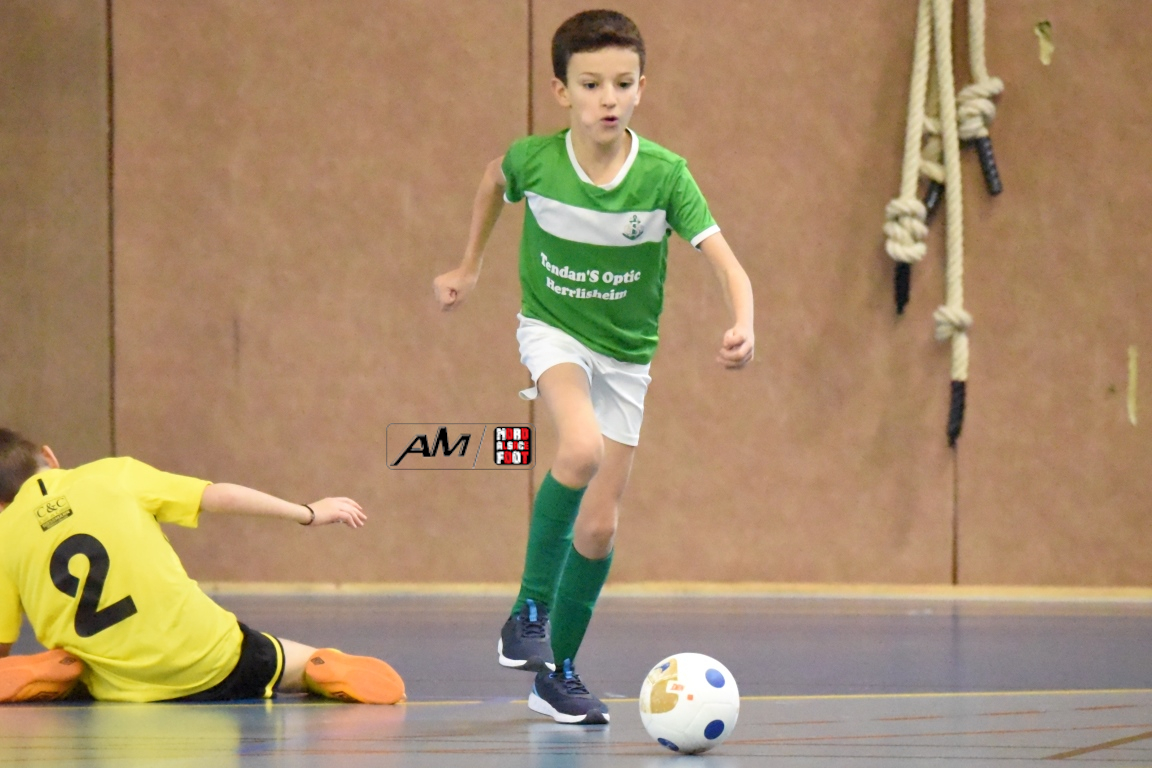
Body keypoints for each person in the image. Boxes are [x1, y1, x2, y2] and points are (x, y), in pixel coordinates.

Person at [433, 10, 754, 725]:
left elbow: (730, 265)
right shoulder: (536, 161)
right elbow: (493, 180)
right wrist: (469, 266)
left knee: (601, 529)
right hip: (553, 332)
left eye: (623, 83)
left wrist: (745, 322)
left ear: (642, 87)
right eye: (590, 84)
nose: (608, 98)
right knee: (578, 449)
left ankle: (558, 674)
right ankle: (526, 613)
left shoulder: (665, 176)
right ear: (561, 91)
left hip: (626, 358)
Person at [0, 427, 405, 705]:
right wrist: (307, 512)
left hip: (119, 685)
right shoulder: (113, 474)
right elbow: (219, 496)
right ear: (50, 457)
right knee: (285, 660)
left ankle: (62, 672)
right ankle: (318, 663)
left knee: (85, 662)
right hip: (209, 657)